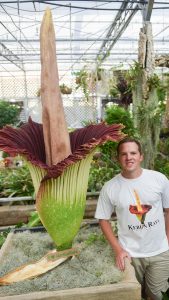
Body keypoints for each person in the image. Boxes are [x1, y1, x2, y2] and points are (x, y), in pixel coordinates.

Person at [95, 137, 169, 300]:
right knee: (132, 295)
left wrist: (168, 239)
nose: (129, 157)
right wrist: (118, 250)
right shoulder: (110, 187)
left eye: (133, 153)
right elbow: (103, 220)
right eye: (124, 154)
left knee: (157, 295)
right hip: (130, 254)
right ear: (118, 158)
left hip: (160, 251)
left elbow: (168, 210)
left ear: (141, 156)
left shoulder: (159, 179)